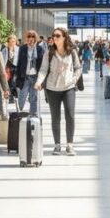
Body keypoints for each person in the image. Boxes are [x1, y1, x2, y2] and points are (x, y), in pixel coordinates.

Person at [35, 27, 81, 156]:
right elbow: (43, 69)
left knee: (70, 116)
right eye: (53, 36)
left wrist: (74, 79)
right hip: (52, 88)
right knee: (55, 117)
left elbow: (78, 68)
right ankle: (57, 145)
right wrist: (39, 82)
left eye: (57, 35)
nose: (54, 38)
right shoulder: (48, 53)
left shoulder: (72, 52)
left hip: (68, 88)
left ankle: (70, 145)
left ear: (64, 37)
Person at [15, 30, 46, 117]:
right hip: (25, 77)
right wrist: (17, 78)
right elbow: (19, 63)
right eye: (29, 36)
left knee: (34, 98)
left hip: (35, 77)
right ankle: (20, 113)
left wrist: (41, 81)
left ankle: (33, 115)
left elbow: (42, 66)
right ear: (26, 38)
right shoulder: (22, 48)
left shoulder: (40, 49)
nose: (31, 39)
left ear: (36, 38)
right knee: (22, 97)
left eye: (33, 37)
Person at [2, 34, 20, 105]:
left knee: (13, 81)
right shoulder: (5, 50)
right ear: (8, 42)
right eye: (10, 42)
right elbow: (3, 60)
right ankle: (10, 95)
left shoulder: (18, 49)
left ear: (15, 42)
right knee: (7, 81)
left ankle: (13, 94)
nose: (12, 43)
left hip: (15, 68)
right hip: (7, 68)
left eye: (13, 41)